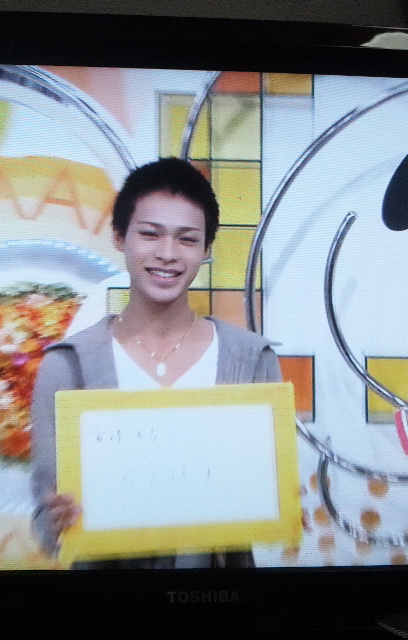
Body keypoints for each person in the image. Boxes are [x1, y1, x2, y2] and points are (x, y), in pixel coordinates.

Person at [31, 157, 282, 568]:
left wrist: (277, 499)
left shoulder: (252, 360)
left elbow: (264, 503)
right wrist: (56, 521)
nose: (167, 254)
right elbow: (46, 523)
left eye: (187, 239)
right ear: (119, 237)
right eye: (150, 234)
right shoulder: (67, 365)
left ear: (206, 250)